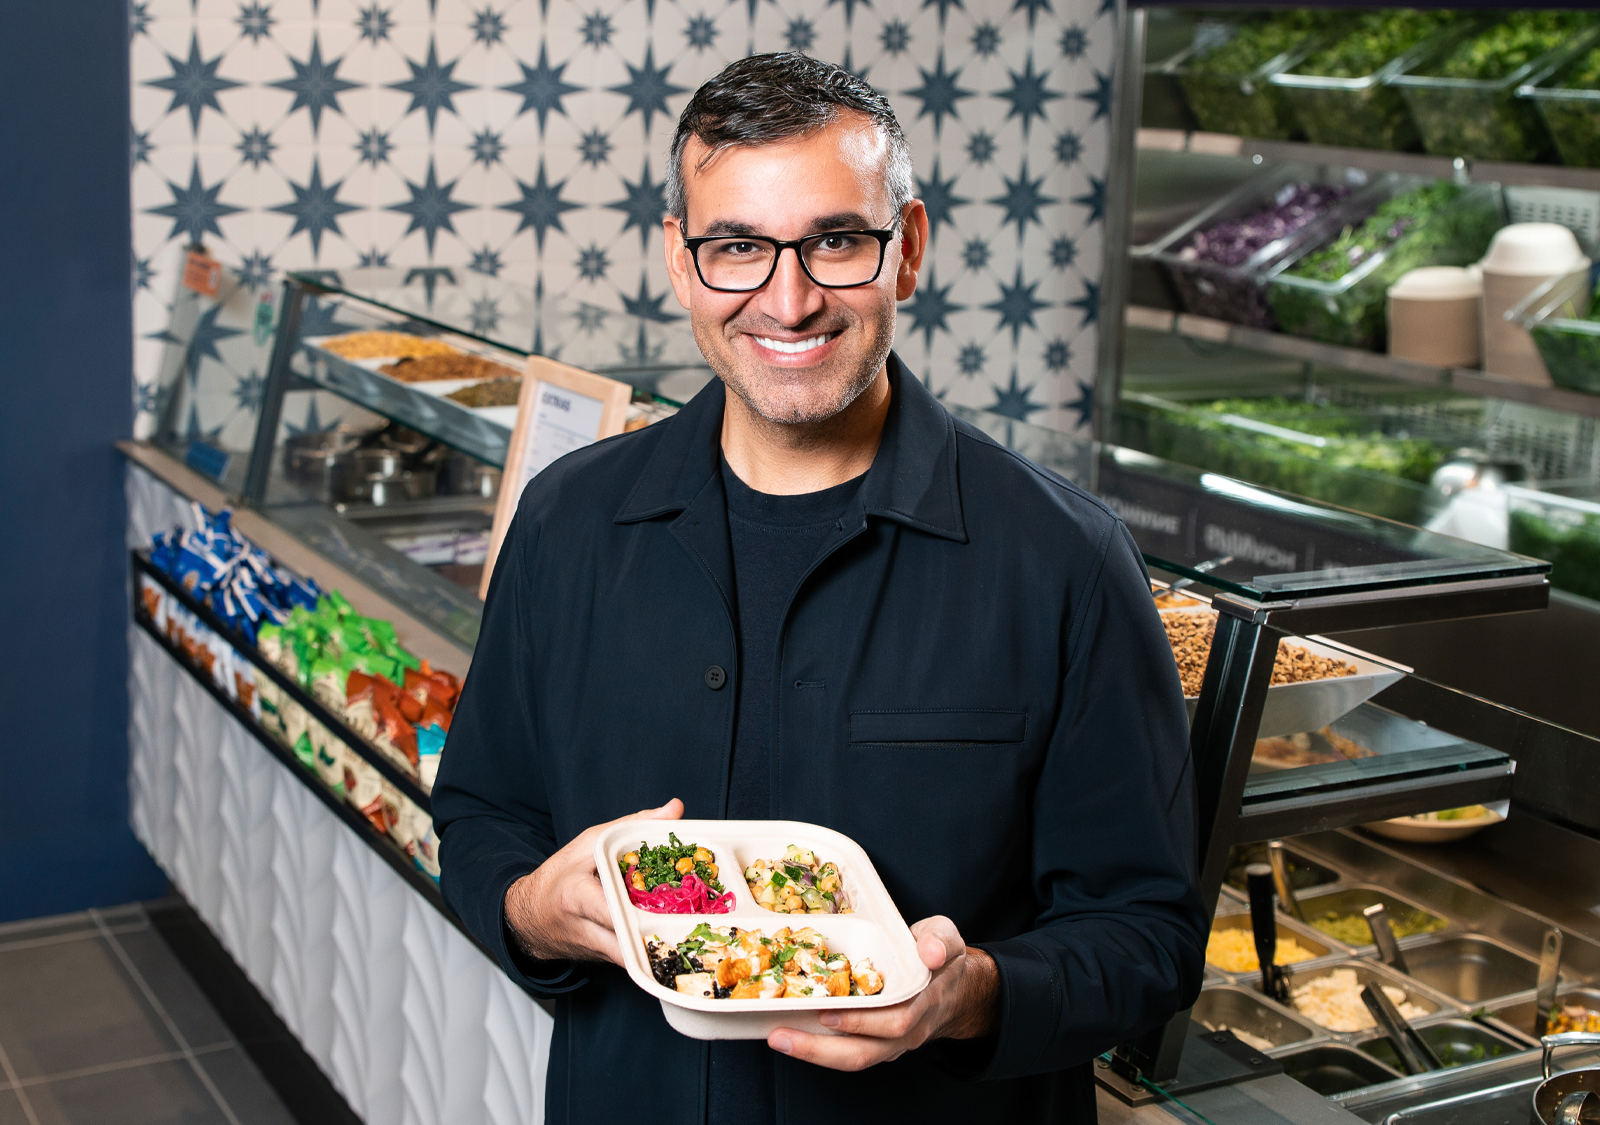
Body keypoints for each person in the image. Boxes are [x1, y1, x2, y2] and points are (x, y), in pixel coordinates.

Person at [433, 51, 1205, 1125]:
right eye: (738, 247)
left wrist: (970, 994)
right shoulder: (569, 522)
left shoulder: (1063, 560)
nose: (787, 300)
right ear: (679, 259)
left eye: (836, 240)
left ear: (909, 249)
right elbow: (478, 816)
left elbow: (1148, 939)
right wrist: (529, 908)